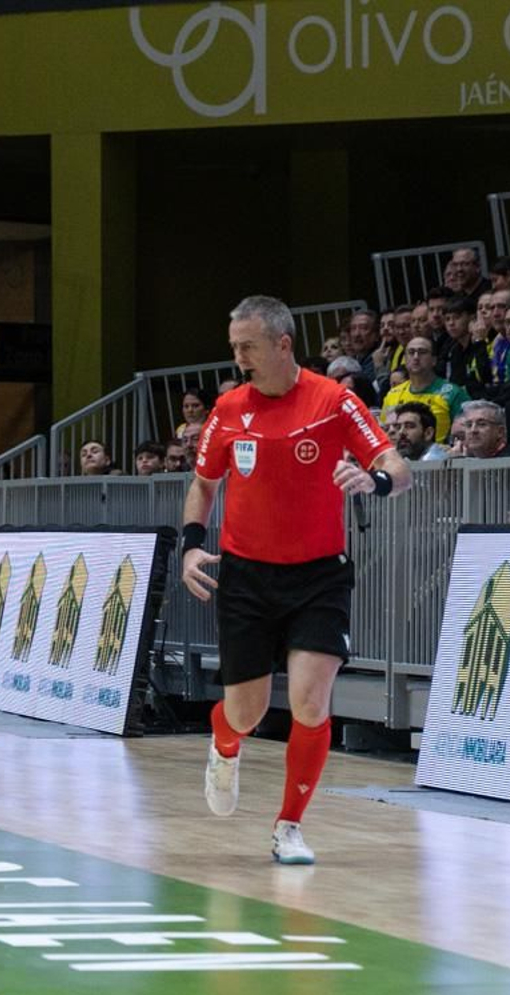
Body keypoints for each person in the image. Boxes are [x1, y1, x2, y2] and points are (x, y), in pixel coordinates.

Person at [180, 295, 413, 866]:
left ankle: (289, 825)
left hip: (319, 577)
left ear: (283, 344)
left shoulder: (334, 401)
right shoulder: (229, 408)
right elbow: (204, 484)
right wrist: (190, 546)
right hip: (246, 576)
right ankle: (225, 745)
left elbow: (397, 467)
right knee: (246, 713)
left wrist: (374, 482)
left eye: (248, 347)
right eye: (234, 347)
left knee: (311, 703)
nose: (239, 358)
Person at [380, 335, 469, 444]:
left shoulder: (453, 393)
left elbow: (465, 433)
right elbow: (383, 432)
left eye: (422, 352)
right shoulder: (392, 394)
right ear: (405, 359)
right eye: (411, 352)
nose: (416, 357)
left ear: (434, 360)